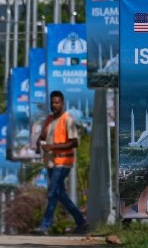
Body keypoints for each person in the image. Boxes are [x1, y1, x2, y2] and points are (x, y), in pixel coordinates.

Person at [34, 91, 89, 235]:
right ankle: (81, 221)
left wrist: (52, 147)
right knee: (59, 193)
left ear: (62, 103)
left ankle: (45, 226)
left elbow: (74, 142)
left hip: (63, 162)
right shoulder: (49, 120)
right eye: (52, 102)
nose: (54, 105)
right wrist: (39, 142)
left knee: (52, 192)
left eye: (57, 102)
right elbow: (43, 136)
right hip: (51, 162)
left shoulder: (68, 120)